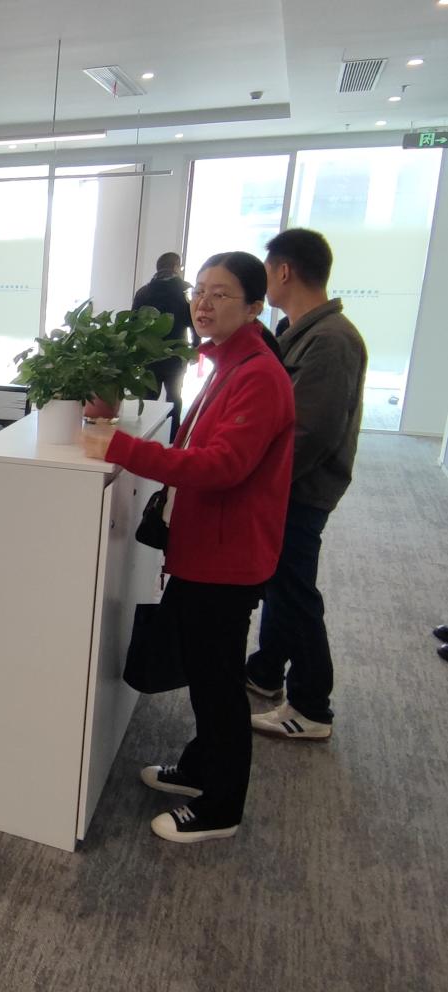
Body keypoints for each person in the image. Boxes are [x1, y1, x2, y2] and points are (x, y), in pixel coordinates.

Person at [83, 251, 295, 843]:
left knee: (218, 681)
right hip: (207, 546)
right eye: (199, 290)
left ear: (254, 307)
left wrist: (123, 448)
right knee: (206, 672)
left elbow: (223, 465)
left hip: (228, 557)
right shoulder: (228, 361)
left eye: (220, 294)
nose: (203, 303)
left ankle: (221, 808)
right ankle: (203, 768)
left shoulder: (258, 375)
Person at [245, 228, 368, 741]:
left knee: (294, 590)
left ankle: (312, 706)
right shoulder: (298, 330)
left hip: (300, 488)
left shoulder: (331, 340)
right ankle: (266, 669)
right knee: (280, 582)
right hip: (289, 485)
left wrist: (258, 484)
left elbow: (310, 433)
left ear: (284, 271)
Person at [132, 251, 195, 438]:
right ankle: (174, 437)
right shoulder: (184, 292)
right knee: (174, 396)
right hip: (176, 353)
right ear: (176, 267)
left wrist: (134, 350)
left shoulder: (143, 292)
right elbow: (193, 323)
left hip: (149, 354)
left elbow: (133, 323)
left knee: (148, 397)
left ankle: (143, 435)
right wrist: (195, 348)